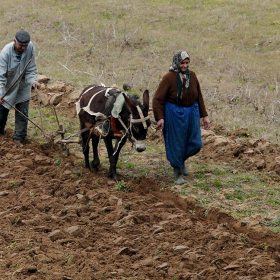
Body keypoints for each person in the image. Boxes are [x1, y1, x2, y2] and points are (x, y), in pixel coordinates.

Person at [152, 50, 210, 185]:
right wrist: (160, 117)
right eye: (182, 63)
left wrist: (204, 116)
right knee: (176, 142)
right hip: (174, 112)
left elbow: (199, 96)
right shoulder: (168, 78)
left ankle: (180, 160)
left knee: (196, 143)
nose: (184, 66)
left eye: (187, 63)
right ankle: (177, 172)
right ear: (176, 63)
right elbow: (157, 99)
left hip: (192, 111)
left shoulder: (193, 76)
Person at [0, 29, 40, 143]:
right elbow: (0, 76)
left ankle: (19, 140)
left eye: (25, 46)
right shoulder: (5, 53)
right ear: (14, 42)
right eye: (21, 46)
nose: (23, 48)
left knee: (23, 113)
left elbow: (31, 68)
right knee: (1, 112)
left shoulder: (30, 48)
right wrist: (0, 93)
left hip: (23, 86)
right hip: (7, 87)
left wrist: (33, 81)